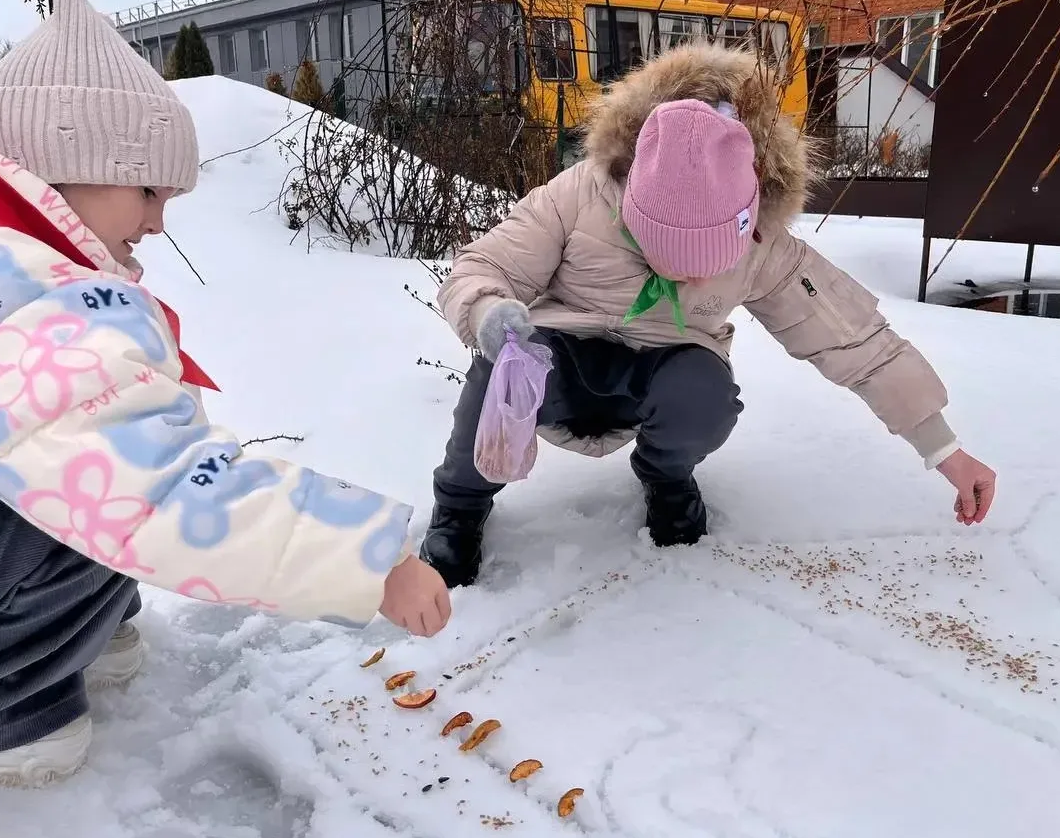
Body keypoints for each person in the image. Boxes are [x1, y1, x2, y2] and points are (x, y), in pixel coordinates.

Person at [0, 0, 450, 787]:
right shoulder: (18, 298)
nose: (159, 221)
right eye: (148, 190)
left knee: (62, 464)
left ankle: (57, 638)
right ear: (68, 162)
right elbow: (158, 485)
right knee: (92, 485)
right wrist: (372, 560)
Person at [420, 42, 997, 588]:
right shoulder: (579, 195)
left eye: (707, 262)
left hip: (664, 370)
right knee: (503, 365)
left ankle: (666, 478)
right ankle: (460, 506)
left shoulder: (764, 240)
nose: (690, 279)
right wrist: (489, 310)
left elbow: (852, 340)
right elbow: (483, 266)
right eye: (667, 256)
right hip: (560, 361)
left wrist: (942, 447)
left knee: (704, 390)